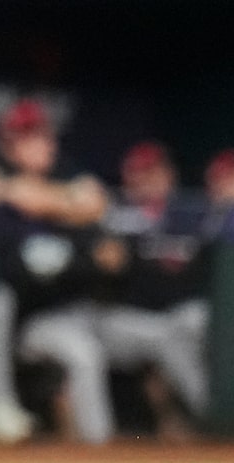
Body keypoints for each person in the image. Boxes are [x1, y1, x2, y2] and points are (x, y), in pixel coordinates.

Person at [0, 101, 115, 441]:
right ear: (10, 145)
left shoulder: (65, 174)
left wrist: (58, 204)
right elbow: (15, 192)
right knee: (82, 353)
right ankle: (99, 450)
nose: (43, 145)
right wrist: (68, 205)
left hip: (78, 310)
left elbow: (99, 207)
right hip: (29, 320)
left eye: (43, 136)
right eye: (29, 138)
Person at [85, 142, 211, 436]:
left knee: (193, 328)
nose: (145, 182)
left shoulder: (192, 215)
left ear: (169, 174)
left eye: (152, 173)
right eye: (137, 175)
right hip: (121, 319)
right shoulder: (113, 217)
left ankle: (188, 417)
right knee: (170, 337)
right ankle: (217, 421)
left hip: (178, 318)